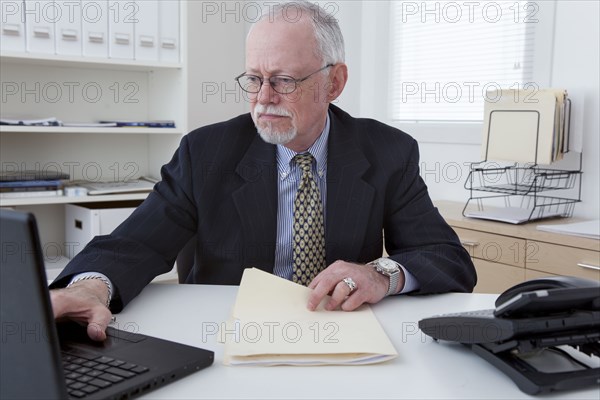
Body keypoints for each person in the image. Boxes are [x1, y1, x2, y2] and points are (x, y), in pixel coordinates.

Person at [50, 0, 476, 341]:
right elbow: (136, 243)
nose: (263, 98)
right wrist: (90, 288)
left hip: (341, 337)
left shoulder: (388, 152)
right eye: (254, 79)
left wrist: (382, 274)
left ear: (334, 82)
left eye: (284, 80)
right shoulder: (206, 152)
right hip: (222, 334)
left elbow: (446, 259)